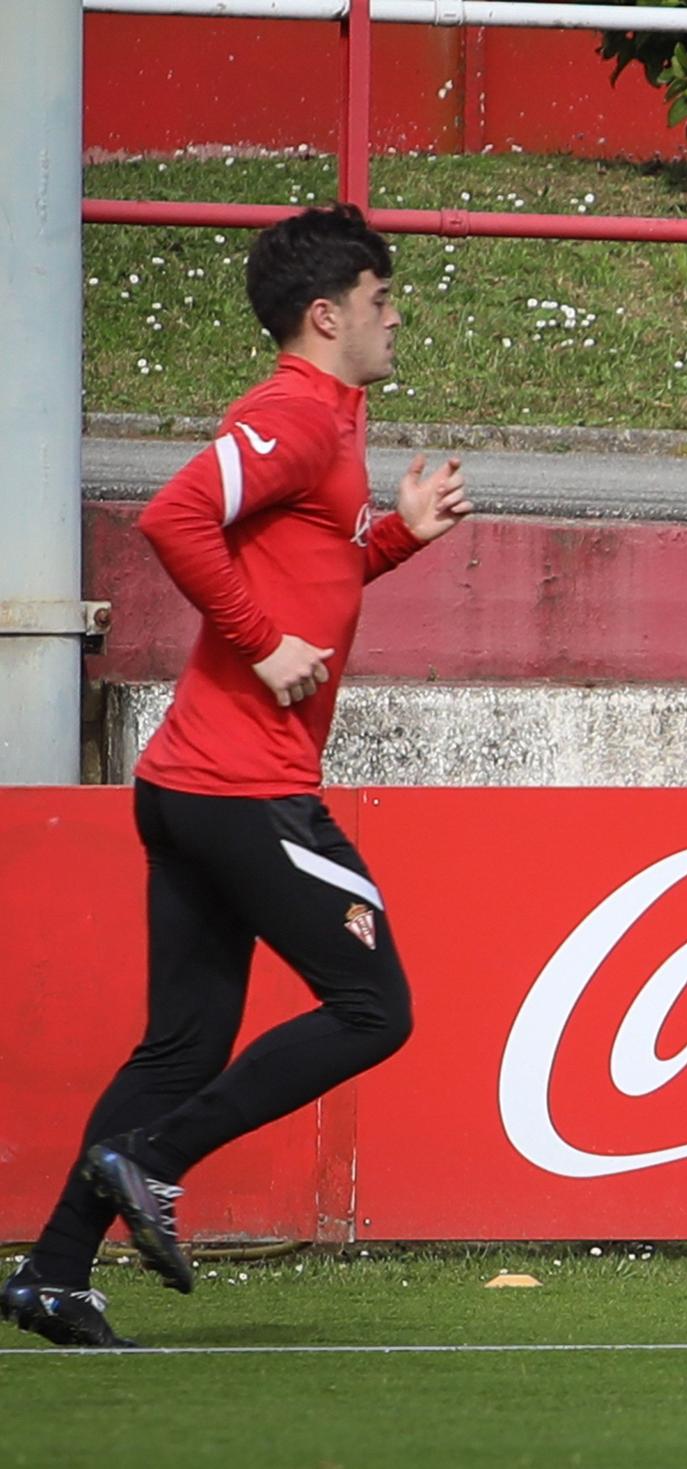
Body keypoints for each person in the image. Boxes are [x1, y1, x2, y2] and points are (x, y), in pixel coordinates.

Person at [2, 204, 472, 1349]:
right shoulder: (295, 414)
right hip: (241, 786)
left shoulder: (329, 424)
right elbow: (175, 516)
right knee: (374, 1008)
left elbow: (303, 566)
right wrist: (262, 643)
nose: (394, 312)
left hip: (197, 782)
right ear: (327, 313)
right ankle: (152, 1161)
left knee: (182, 1046)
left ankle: (54, 1275)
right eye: (378, 297)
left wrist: (394, 538)